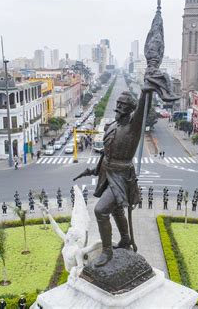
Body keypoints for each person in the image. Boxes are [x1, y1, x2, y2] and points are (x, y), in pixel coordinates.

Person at [73, 90, 152, 267]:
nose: (118, 107)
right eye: (118, 103)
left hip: (122, 177)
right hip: (107, 173)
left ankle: (107, 251)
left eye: (123, 105)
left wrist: (147, 90)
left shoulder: (133, 128)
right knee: (116, 210)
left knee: (101, 211)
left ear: (130, 109)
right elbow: (106, 155)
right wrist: (93, 170)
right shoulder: (112, 126)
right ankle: (125, 239)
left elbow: (143, 108)